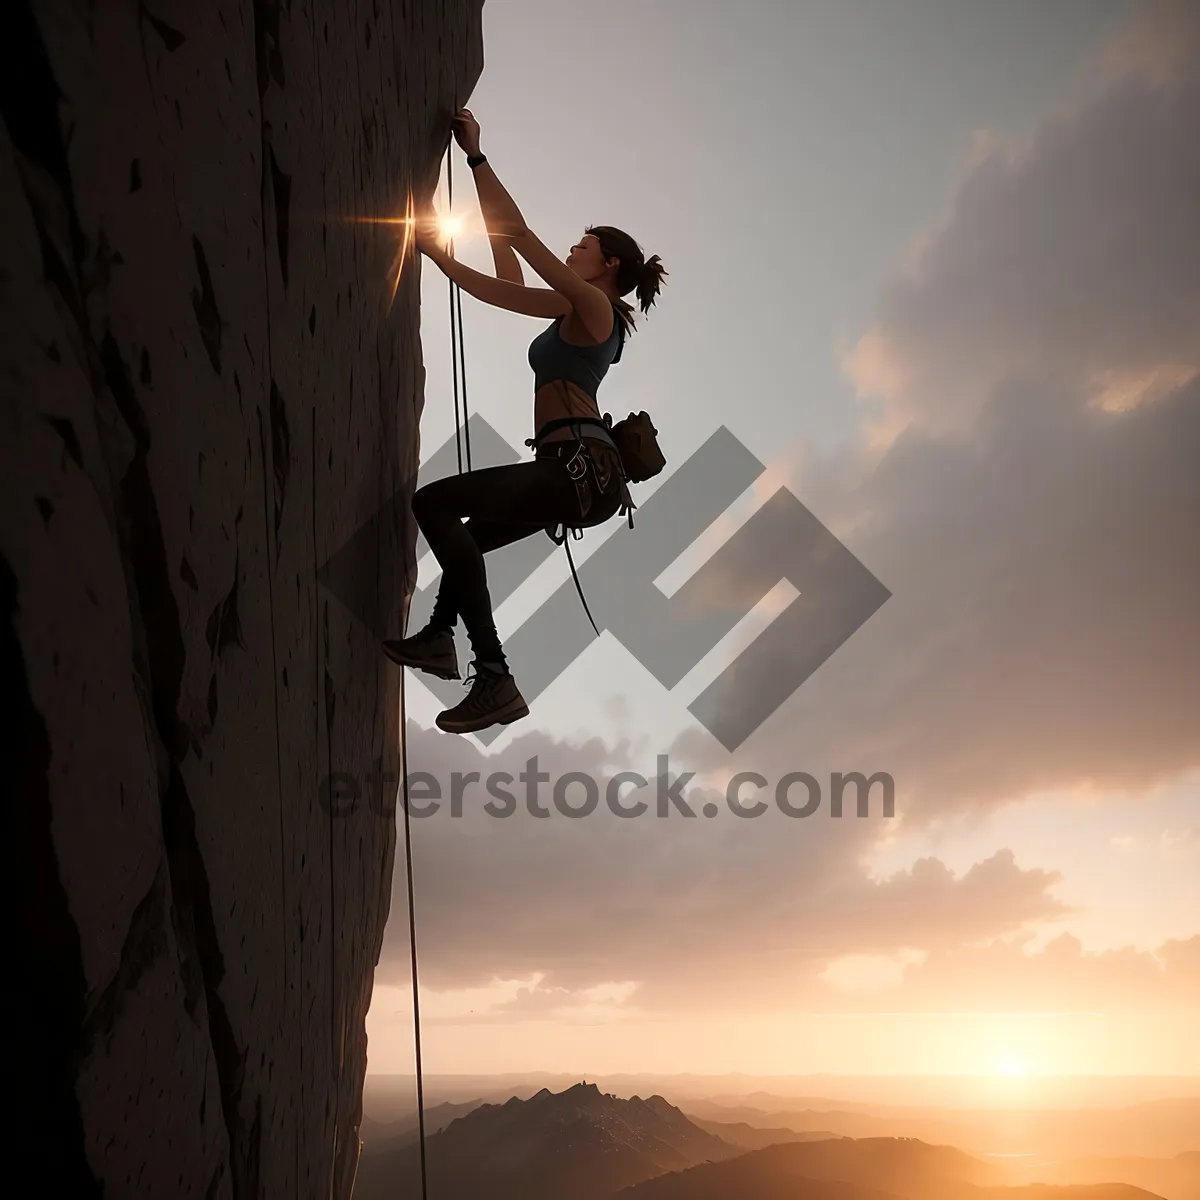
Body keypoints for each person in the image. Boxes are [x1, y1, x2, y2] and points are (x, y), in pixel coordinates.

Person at [382, 108, 667, 735]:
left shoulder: (595, 308)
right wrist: (435, 254)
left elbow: (521, 235)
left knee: (433, 505)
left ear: (608, 264)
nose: (573, 248)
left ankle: (493, 675)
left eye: (583, 245)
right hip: (572, 475)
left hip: (573, 470)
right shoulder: (575, 309)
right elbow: (501, 281)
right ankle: (439, 637)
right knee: (472, 540)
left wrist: (478, 157)